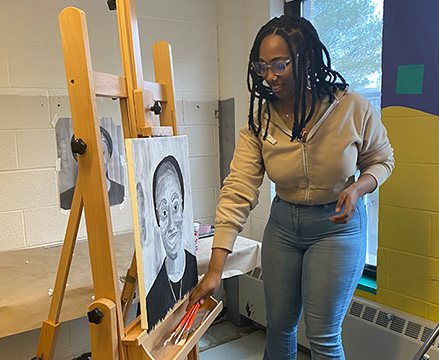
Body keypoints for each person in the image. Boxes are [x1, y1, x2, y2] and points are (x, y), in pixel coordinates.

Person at [191, 14, 394, 359]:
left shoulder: (351, 108)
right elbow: (238, 188)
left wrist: (360, 186)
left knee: (323, 336)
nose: (269, 76)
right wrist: (215, 269)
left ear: (306, 60)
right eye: (262, 66)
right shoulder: (260, 121)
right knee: (279, 327)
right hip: (284, 227)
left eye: (279, 64)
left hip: (337, 229)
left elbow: (382, 159)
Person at [146, 155, 198, 330]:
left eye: (175, 207)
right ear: (157, 219)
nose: (170, 226)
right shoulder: (152, 297)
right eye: (164, 213)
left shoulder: (192, 271)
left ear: (183, 207)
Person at [60, 126, 125, 209]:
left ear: (109, 155)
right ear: (77, 158)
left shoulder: (123, 194)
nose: (97, 161)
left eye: (102, 153)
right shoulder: (65, 201)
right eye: (89, 155)